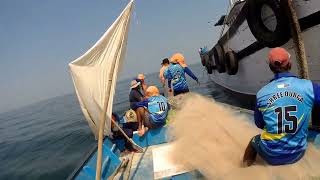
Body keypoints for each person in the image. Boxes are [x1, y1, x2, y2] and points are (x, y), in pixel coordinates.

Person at [243, 47, 320, 167]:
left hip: (271, 155)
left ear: (271, 67)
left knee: (253, 141)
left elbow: (259, 124)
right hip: (298, 153)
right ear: (289, 64)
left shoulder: (261, 94)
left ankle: (245, 169)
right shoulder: (309, 86)